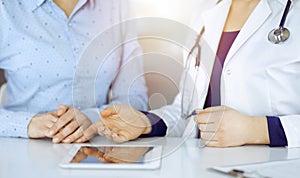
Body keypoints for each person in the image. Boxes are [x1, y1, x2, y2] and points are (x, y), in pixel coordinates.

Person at [78, 0, 300, 148]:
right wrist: (145, 122)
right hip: (204, 167)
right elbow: (185, 113)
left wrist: (259, 130)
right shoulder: (205, 17)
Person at [0, 0, 148, 143]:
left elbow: (134, 99)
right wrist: (27, 124)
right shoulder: (5, 8)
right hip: (21, 148)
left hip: (96, 147)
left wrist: (92, 118)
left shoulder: (116, 5)